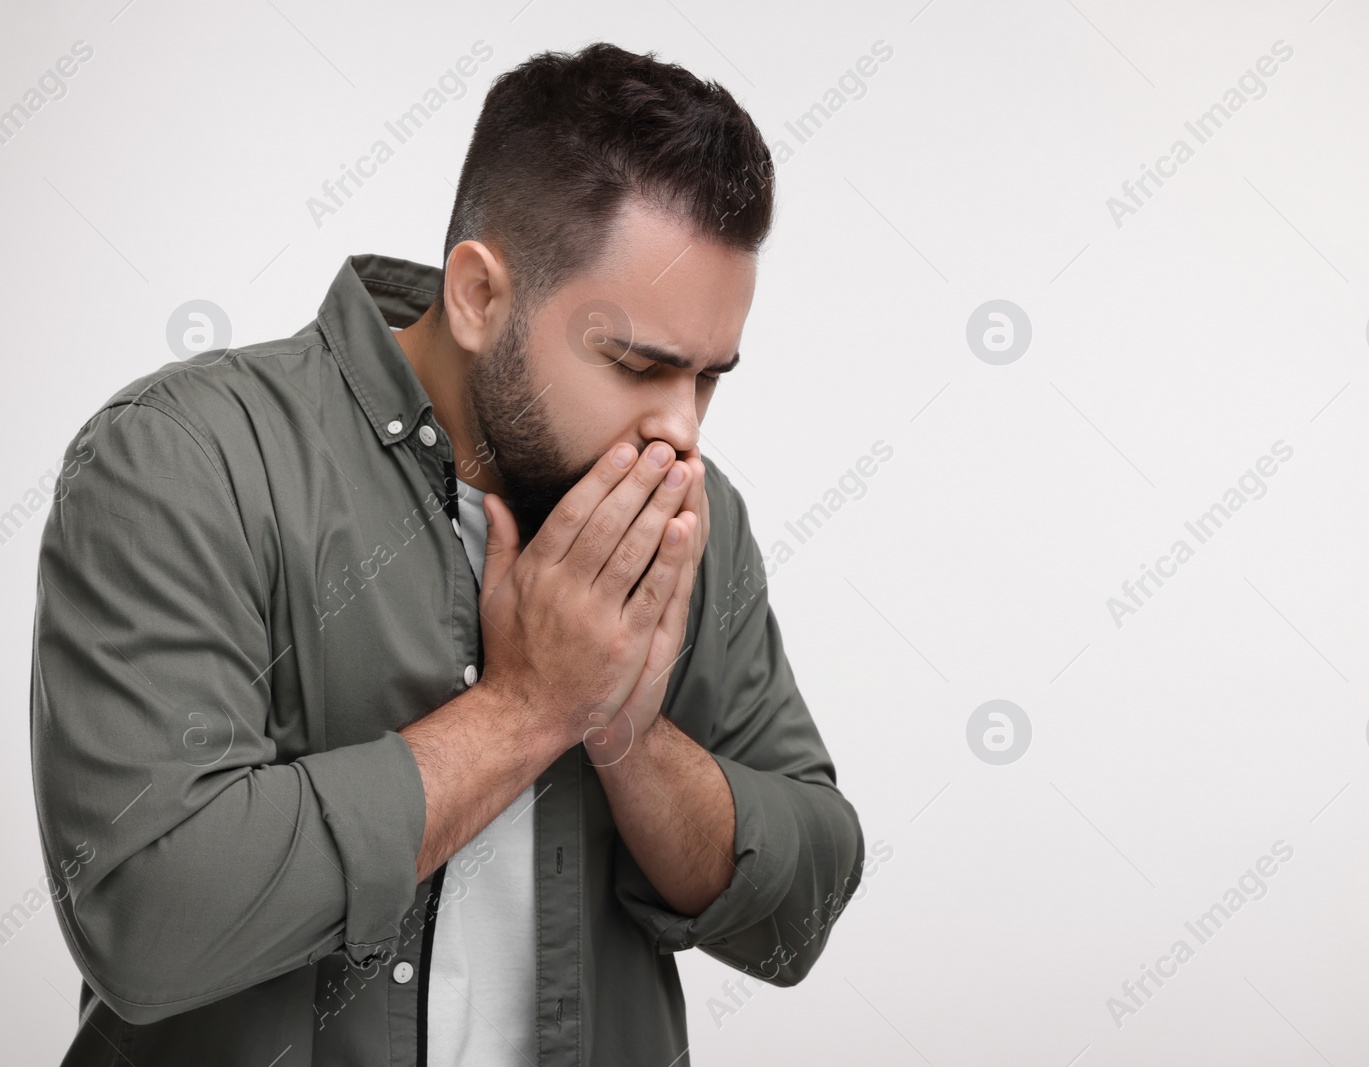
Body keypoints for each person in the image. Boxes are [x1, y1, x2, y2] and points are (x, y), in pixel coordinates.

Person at [30, 41, 863, 1067]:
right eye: (638, 364)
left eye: (708, 377)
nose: (682, 429)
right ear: (477, 296)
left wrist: (629, 737)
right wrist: (528, 707)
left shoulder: (689, 511)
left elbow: (801, 907)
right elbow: (150, 917)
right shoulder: (185, 459)